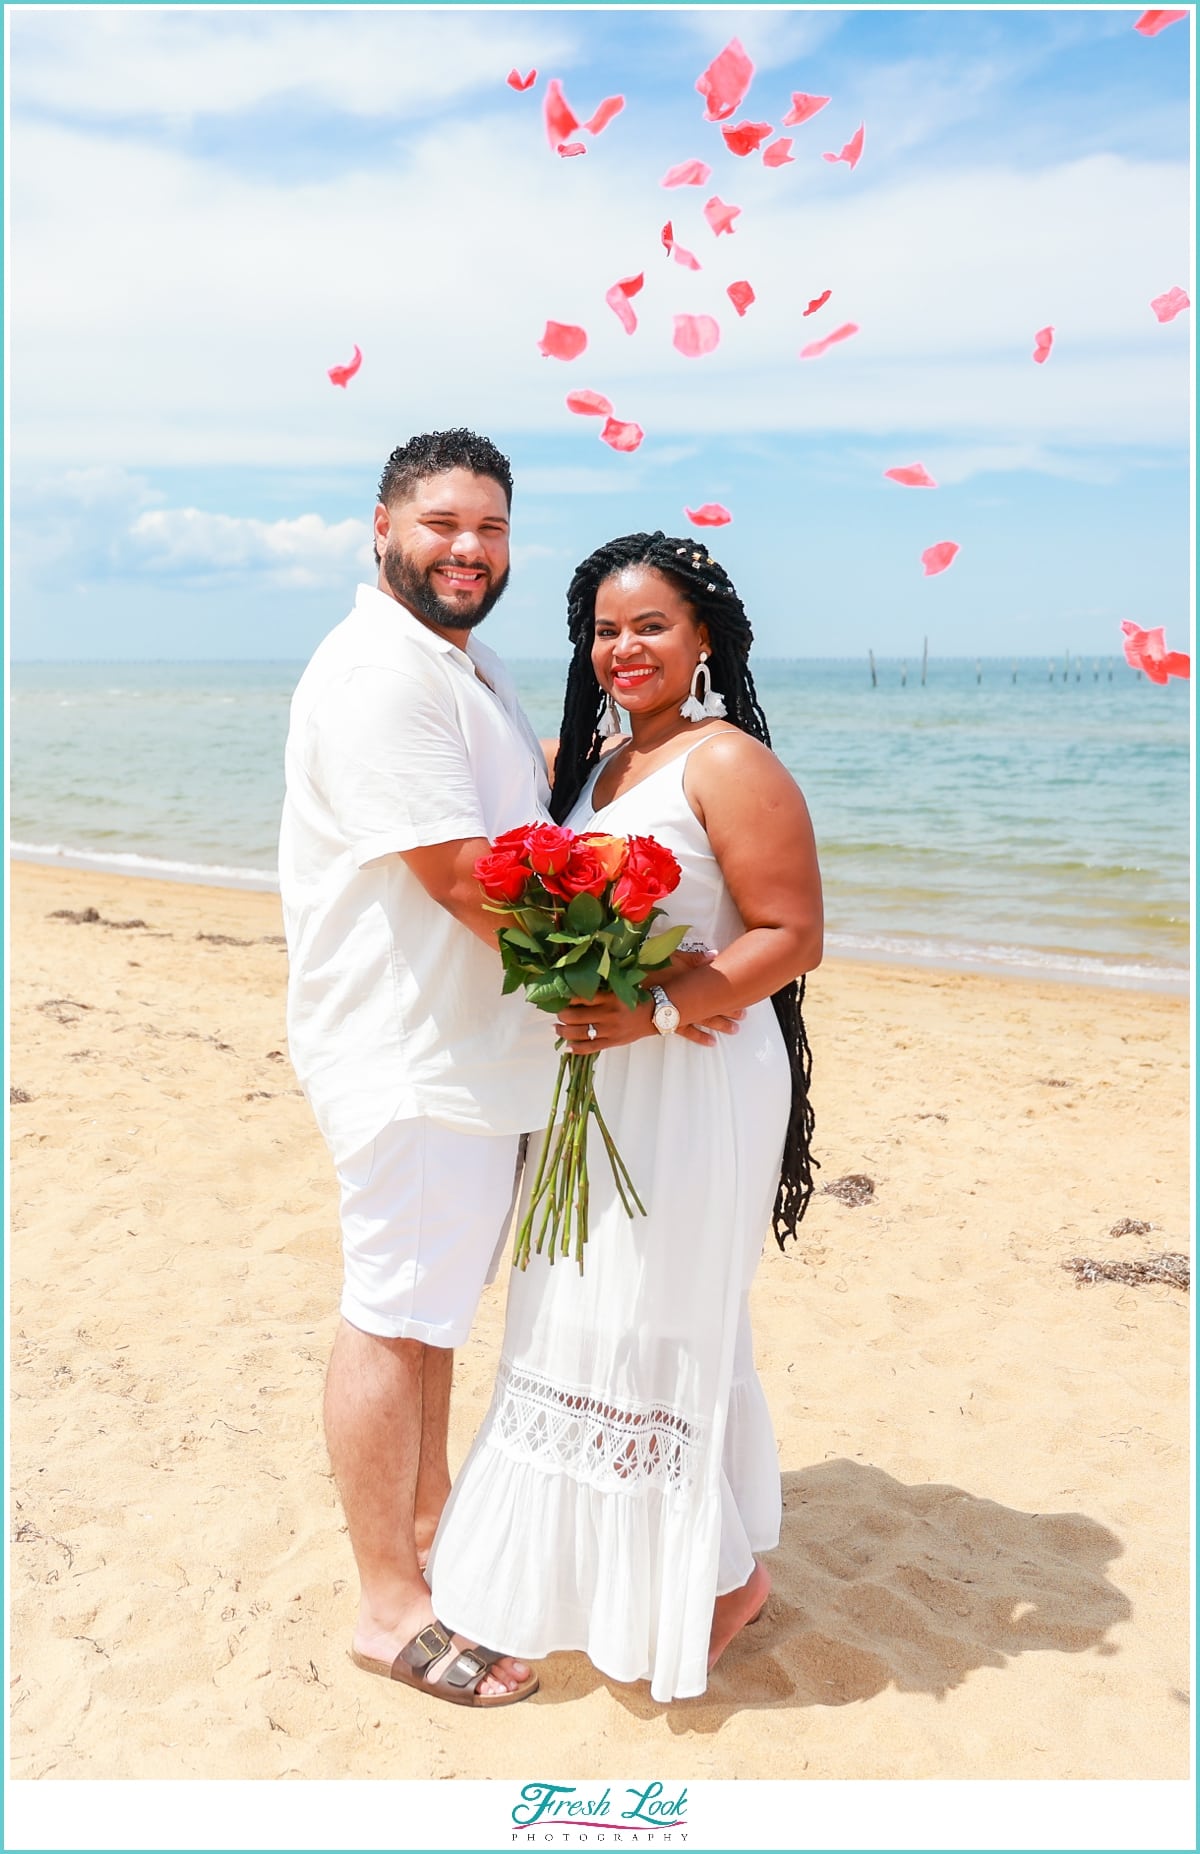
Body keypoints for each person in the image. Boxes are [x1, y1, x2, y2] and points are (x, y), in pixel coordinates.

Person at [428, 530, 823, 1702]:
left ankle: (718, 1581)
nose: (624, 648)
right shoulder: (591, 770)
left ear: (703, 636)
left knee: (658, 1309)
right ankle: (622, 1577)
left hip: (693, 1074)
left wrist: (654, 1008)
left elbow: (792, 933)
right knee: (575, 1307)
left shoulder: (727, 762)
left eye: (651, 625)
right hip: (596, 1077)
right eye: (605, 629)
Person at [278, 428, 558, 1707]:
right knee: (395, 1312)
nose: (468, 549)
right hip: (408, 1047)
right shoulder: (380, 674)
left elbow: (514, 817)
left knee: (434, 1310)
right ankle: (388, 1607)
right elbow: (460, 880)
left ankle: (434, 1536)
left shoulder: (463, 661)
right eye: (444, 523)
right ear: (382, 528)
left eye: (491, 529)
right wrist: (646, 985)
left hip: (466, 1048)